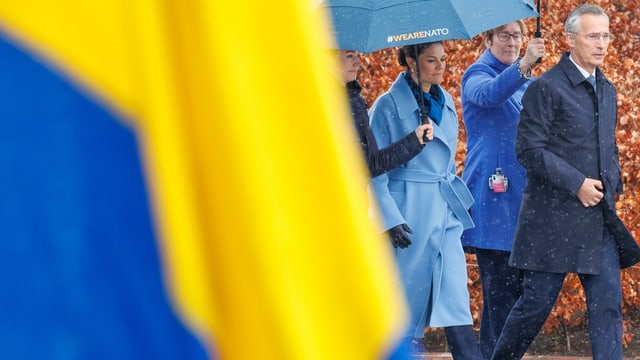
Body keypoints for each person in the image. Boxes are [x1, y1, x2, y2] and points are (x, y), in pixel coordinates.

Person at [490, 5, 639, 359]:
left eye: (605, 35)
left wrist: (612, 181)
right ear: (570, 39)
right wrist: (576, 183)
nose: (602, 43)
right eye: (593, 36)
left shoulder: (608, 89)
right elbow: (528, 150)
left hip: (598, 220)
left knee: (607, 307)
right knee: (534, 308)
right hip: (550, 223)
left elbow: (610, 145)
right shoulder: (545, 88)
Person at [368, 42, 482, 359]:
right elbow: (372, 168)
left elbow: (449, 161)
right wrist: (389, 218)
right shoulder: (386, 106)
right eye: (431, 60)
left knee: (456, 296)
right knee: (405, 307)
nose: (440, 66)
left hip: (444, 212)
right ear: (409, 61)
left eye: (443, 59)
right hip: (409, 213)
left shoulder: (445, 100)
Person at [459, 20, 545, 359]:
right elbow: (491, 94)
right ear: (489, 38)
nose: (512, 42)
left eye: (518, 36)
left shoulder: (528, 83)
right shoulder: (476, 75)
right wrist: (525, 64)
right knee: (500, 299)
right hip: (493, 207)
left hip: (525, 205)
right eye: (505, 36)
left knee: (525, 298)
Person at [335, 49, 433, 179]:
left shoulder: (354, 100)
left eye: (358, 56)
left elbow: (371, 164)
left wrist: (416, 139)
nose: (358, 63)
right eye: (350, 56)